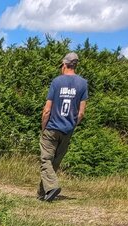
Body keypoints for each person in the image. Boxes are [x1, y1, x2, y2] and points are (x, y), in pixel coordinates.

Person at [38, 51, 88, 202]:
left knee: (45, 160)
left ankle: (52, 187)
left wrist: (43, 127)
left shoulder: (57, 82)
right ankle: (43, 193)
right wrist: (72, 125)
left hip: (52, 127)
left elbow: (47, 110)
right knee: (54, 162)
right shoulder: (83, 83)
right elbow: (81, 113)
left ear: (65, 65)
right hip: (68, 129)